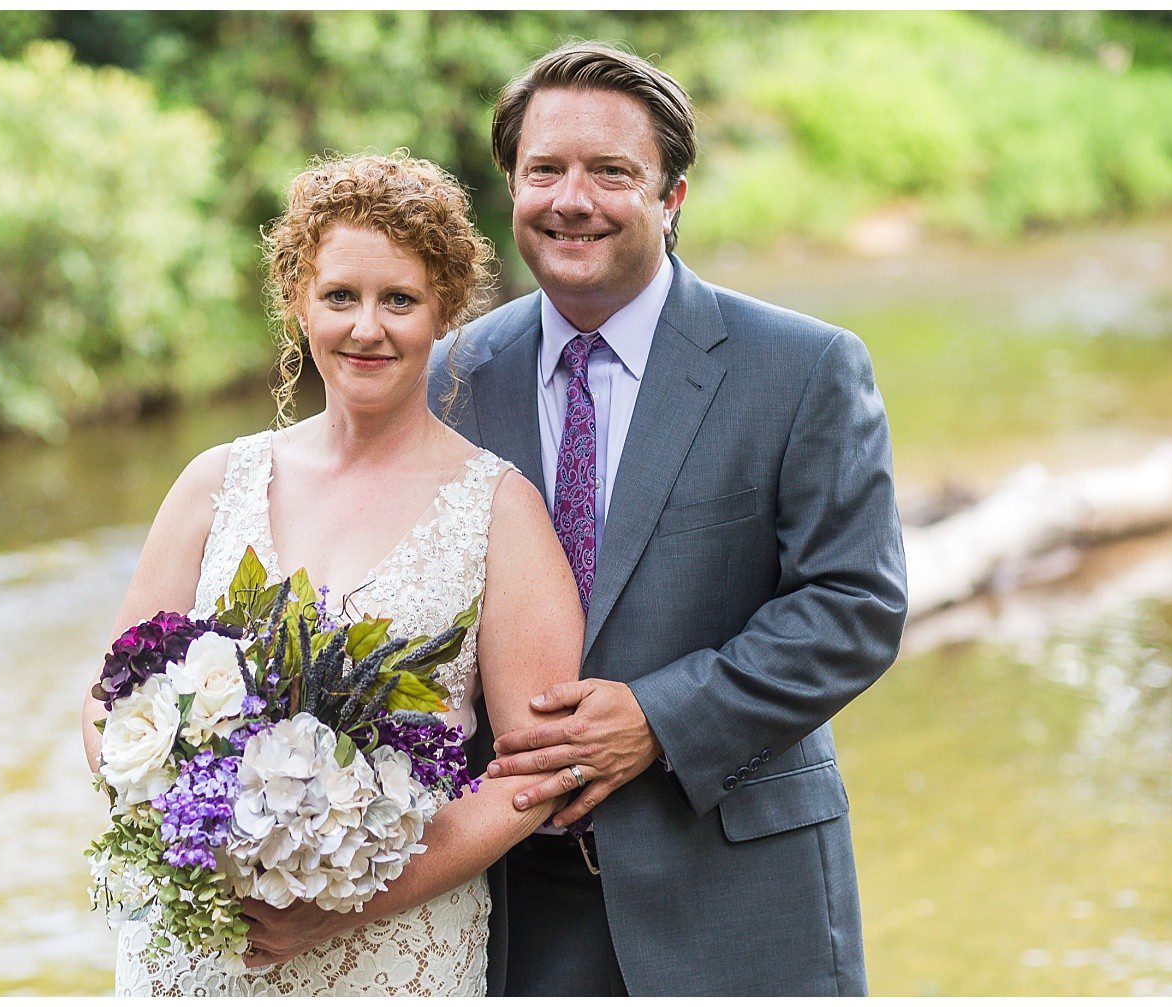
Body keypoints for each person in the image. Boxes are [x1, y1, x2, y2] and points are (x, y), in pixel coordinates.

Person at [427, 43, 908, 995]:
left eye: (612, 172)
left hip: (737, 893)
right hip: (510, 911)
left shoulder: (804, 368)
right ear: (512, 186)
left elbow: (855, 605)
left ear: (672, 198)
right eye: (545, 170)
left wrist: (659, 715)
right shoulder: (449, 378)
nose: (574, 199)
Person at [81, 153, 586, 995]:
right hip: (204, 939)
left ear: (444, 311)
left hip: (391, 951)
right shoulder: (216, 485)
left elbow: (534, 774)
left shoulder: (500, 512)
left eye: (400, 300)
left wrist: (345, 902)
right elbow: (110, 705)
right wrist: (201, 826)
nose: (367, 328)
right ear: (299, 305)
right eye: (341, 296)